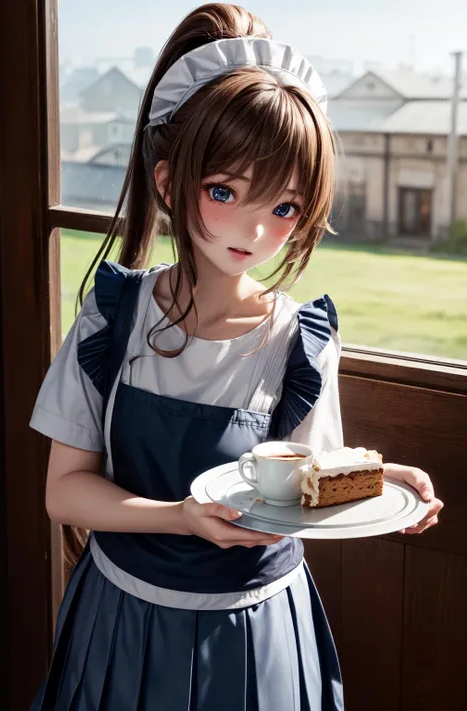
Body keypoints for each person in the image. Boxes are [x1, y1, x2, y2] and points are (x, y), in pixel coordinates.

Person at [29, 4, 443, 710]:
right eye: (225, 191)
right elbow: (63, 491)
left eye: (285, 206)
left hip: (254, 632)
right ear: (168, 183)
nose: (257, 229)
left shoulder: (301, 341)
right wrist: (179, 515)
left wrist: (377, 478)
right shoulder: (113, 318)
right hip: (123, 622)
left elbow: (303, 484)